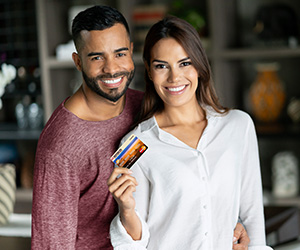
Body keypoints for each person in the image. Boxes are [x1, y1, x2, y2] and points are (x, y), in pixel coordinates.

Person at [31, 5, 249, 250]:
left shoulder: (146, 106)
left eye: (120, 54)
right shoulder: (60, 147)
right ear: (78, 61)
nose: (112, 68)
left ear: (132, 51)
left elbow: (191, 184)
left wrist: (229, 223)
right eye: (96, 57)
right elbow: (50, 245)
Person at [108, 16, 273, 250]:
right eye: (162, 66)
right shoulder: (133, 144)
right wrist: (125, 207)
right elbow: (132, 244)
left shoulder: (239, 126)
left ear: (199, 66)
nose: (175, 77)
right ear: (150, 71)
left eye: (185, 63)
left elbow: (253, 217)